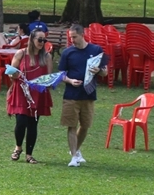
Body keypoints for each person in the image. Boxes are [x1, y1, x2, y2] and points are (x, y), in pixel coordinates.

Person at [58, 24, 107, 167]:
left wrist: (98, 70)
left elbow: (105, 72)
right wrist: (70, 81)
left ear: (82, 35)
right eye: (70, 37)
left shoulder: (96, 50)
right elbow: (61, 74)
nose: (72, 40)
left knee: (85, 125)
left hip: (88, 94)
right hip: (71, 95)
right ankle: (73, 156)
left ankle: (76, 150)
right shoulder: (68, 53)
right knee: (71, 125)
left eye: (74, 37)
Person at [7, 29, 53, 164]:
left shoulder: (47, 57)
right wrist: (14, 75)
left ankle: (29, 154)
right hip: (22, 91)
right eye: (39, 40)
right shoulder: (21, 53)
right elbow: (11, 73)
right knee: (21, 122)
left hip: (37, 93)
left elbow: (49, 77)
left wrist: (46, 83)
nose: (42, 43)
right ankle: (18, 147)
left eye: (44, 40)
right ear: (32, 39)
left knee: (33, 124)